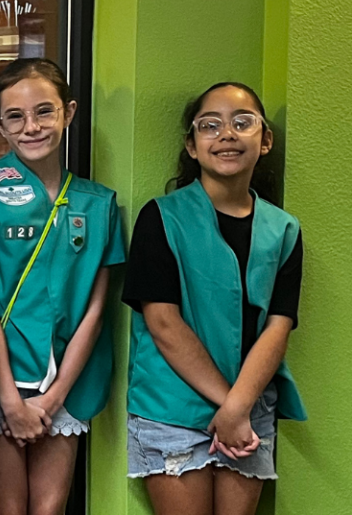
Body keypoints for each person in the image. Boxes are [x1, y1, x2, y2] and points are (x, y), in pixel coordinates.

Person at [123, 83, 306, 515]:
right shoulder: (161, 217)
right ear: (192, 145)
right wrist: (230, 406)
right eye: (210, 125)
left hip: (250, 407)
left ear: (265, 141)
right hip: (173, 407)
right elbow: (163, 323)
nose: (227, 134)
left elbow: (279, 327)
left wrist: (240, 407)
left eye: (243, 123)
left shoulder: (283, 230)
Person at [0, 59, 125, 515]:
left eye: (44, 112)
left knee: (50, 510)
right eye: (15, 116)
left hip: (68, 387)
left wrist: (55, 399)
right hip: (3, 381)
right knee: (8, 510)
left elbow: (96, 312)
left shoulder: (99, 204)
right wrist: (11, 402)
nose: (31, 126)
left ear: (68, 113)